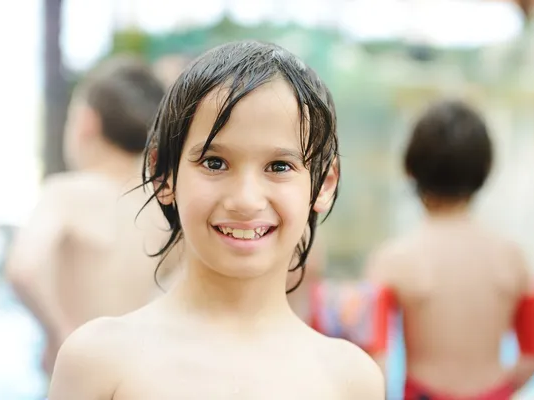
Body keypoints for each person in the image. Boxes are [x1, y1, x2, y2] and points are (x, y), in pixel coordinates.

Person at [48, 40, 385, 399]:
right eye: (214, 163)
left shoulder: (350, 379)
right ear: (163, 174)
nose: (245, 199)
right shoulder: (100, 360)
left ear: (324, 183)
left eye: (279, 167)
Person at [364, 100, 534, 399]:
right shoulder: (511, 257)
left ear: (410, 169)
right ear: (485, 170)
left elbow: (373, 359)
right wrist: (506, 387)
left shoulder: (394, 260)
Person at [5, 56, 177, 376]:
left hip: (81, 369)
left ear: (86, 122)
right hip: (138, 368)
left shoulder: (66, 192)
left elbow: (22, 269)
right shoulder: (162, 202)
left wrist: (59, 333)